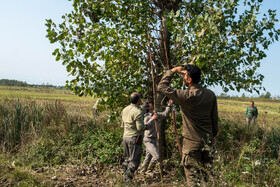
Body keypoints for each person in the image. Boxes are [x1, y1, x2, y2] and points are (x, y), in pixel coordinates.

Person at [157, 64, 218, 186]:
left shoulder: (185, 96)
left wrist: (173, 71)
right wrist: (213, 136)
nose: (182, 78)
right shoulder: (210, 94)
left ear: (189, 80)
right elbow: (214, 118)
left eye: (184, 76)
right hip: (208, 141)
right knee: (208, 178)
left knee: (193, 181)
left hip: (191, 146)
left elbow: (161, 87)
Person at [140, 99, 173, 173]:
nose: (152, 105)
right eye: (150, 105)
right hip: (148, 140)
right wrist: (152, 119)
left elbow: (165, 114)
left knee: (148, 157)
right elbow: (144, 126)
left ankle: (142, 171)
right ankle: (149, 171)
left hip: (154, 140)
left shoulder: (156, 114)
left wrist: (169, 106)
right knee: (157, 156)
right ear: (148, 107)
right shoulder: (146, 117)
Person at [121, 92, 147, 181]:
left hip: (125, 137)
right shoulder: (138, 111)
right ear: (138, 100)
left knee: (127, 159)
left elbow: (123, 125)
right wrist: (146, 126)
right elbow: (140, 128)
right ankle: (127, 179)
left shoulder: (125, 109)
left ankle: (124, 177)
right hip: (134, 138)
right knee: (134, 161)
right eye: (140, 98)